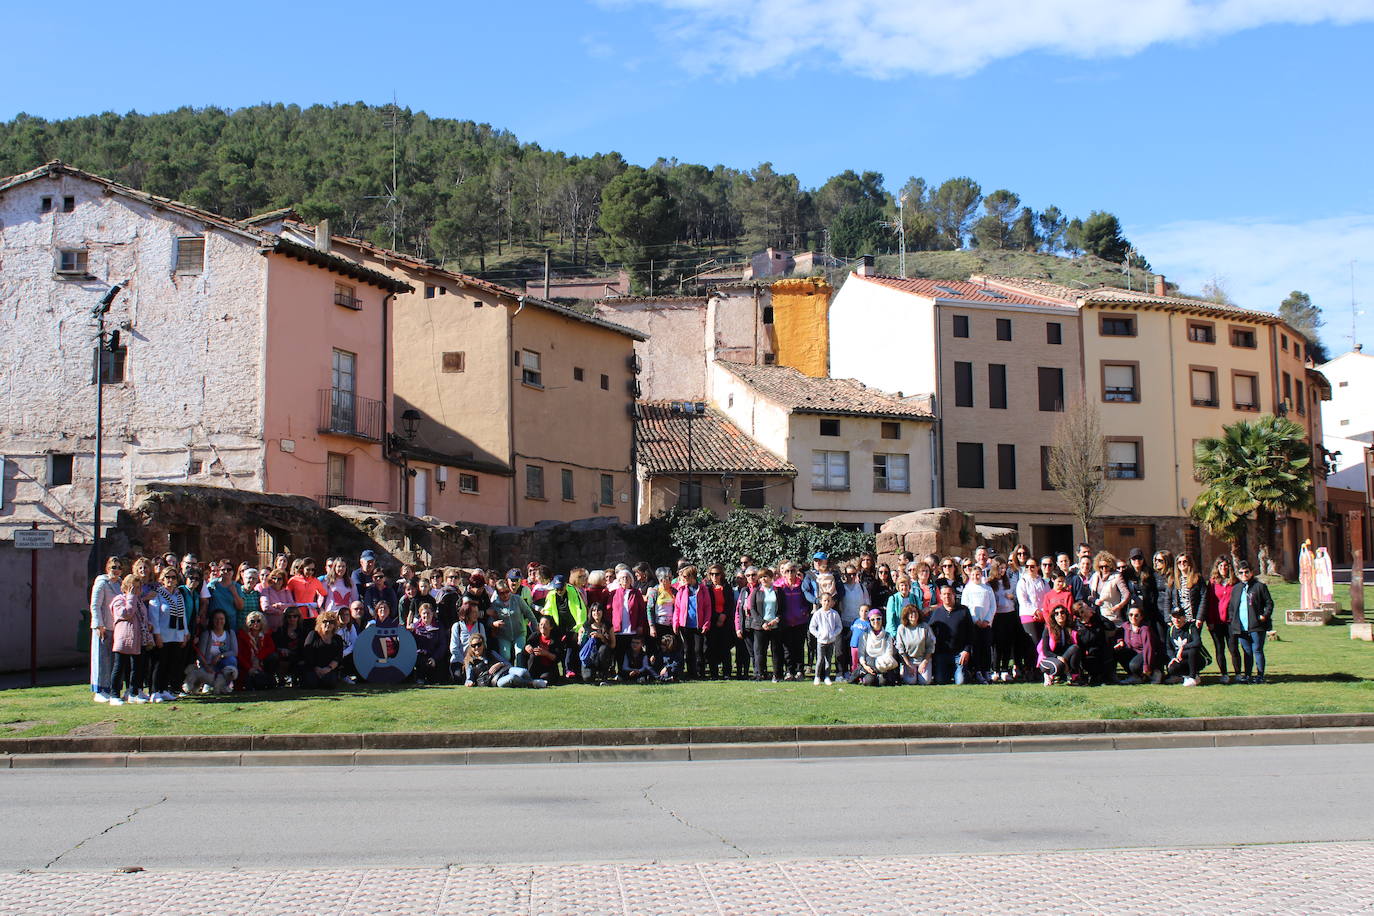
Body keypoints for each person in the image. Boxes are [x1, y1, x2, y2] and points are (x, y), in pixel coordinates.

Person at [1228, 560, 1274, 684]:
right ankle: (1247, 675)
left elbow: (1269, 603)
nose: (1244, 575)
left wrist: (1265, 616)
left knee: (1257, 649)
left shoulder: (1259, 587)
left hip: (1256, 625)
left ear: (1251, 572)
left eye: (1246, 572)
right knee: (1246, 651)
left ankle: (1260, 675)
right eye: (1241, 572)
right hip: (1241, 627)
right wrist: (1232, 619)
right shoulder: (1236, 588)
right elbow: (1232, 607)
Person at [147, 567, 189, 702]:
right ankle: (155, 691)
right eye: (167, 577)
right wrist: (157, 634)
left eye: (173, 577)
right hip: (163, 634)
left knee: (171, 663)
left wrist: (185, 633)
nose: (170, 580)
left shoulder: (178, 595)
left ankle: (164, 689)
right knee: (159, 664)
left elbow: (183, 616)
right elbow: (154, 616)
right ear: (162, 579)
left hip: (176, 635)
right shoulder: (157, 594)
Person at [108, 573, 151, 705]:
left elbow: (143, 618)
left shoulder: (139, 602)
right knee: (119, 667)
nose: (136, 590)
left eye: (138, 588)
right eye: (133, 587)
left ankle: (133, 693)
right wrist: (131, 597)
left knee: (136, 668)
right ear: (126, 587)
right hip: (124, 639)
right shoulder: (119, 600)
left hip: (138, 639)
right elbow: (126, 613)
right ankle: (114, 695)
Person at [88, 556, 124, 702]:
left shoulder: (121, 584)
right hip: (103, 626)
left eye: (119, 567)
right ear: (107, 568)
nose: (116, 570)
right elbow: (95, 605)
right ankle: (100, 689)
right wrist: (98, 624)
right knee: (101, 658)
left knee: (114, 660)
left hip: (117, 627)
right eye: (113, 567)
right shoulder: (102, 583)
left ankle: (111, 688)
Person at [1204, 556, 1243, 684]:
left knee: (1233, 648)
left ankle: (1238, 673)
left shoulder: (1235, 582)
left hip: (1230, 621)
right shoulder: (1213, 582)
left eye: (1225, 566)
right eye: (1220, 566)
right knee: (1219, 648)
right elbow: (1209, 602)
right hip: (1216, 621)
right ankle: (1224, 674)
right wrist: (1208, 621)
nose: (1223, 568)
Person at [463, 633, 546, 688]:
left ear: (483, 644)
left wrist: (499, 664)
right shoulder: (470, 661)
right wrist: (469, 682)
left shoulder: (491, 653)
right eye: (474, 645)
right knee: (512, 678)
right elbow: (469, 678)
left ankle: (533, 681)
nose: (476, 647)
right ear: (471, 647)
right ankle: (533, 684)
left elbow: (508, 664)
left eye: (479, 644)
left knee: (523, 672)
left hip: (505, 670)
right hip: (495, 680)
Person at [928, 584, 972, 685]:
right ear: (941, 596)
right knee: (941, 681)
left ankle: (966, 672)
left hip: (959, 654)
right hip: (942, 654)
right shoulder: (937, 612)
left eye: (949, 594)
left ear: (954, 595)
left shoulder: (964, 611)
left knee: (960, 682)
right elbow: (929, 632)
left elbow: (971, 633)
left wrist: (966, 651)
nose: (947, 596)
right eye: (944, 594)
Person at [672, 565, 711, 679]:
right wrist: (676, 623)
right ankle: (690, 673)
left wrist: (706, 623)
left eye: (684, 576)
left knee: (699, 650)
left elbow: (708, 607)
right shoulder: (682, 590)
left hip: (698, 625)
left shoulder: (703, 589)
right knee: (688, 649)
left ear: (692, 576)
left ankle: (700, 672)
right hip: (685, 625)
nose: (682, 578)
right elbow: (677, 608)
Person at [746, 568, 785, 682]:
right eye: (761, 577)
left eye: (766, 576)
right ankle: (760, 674)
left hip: (775, 625)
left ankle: (777, 675)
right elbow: (752, 609)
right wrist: (762, 622)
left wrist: (776, 619)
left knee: (776, 651)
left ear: (771, 577)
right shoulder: (756, 592)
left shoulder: (778, 591)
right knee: (759, 651)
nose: (763, 579)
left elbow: (783, 608)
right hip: (760, 626)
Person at [960, 563, 996, 684]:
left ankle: (987, 671)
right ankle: (978, 671)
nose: (976, 577)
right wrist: (976, 621)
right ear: (970, 576)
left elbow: (993, 606)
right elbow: (966, 606)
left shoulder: (987, 588)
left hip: (986, 624)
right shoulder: (967, 589)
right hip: (973, 625)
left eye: (978, 574)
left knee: (986, 647)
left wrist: (987, 620)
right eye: (974, 575)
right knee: (976, 649)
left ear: (981, 575)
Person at [189, 608, 238, 695]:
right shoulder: (206, 634)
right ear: (212, 620)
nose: (219, 621)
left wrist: (220, 656)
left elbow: (234, 652)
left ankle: (225, 685)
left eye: (222, 619)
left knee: (232, 660)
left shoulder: (230, 633)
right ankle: (207, 684)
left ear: (225, 620)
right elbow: (200, 654)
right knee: (204, 673)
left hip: (223, 663)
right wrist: (206, 666)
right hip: (208, 664)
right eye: (216, 619)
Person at [777, 562, 809, 680]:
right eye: (787, 571)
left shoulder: (802, 585)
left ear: (796, 572)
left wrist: (804, 611)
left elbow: (807, 601)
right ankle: (789, 671)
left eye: (792, 571)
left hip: (800, 622)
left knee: (799, 647)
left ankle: (800, 670)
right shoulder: (779, 586)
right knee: (787, 649)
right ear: (783, 573)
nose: (790, 573)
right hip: (785, 622)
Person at [1073, 600, 1116, 685]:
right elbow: (1082, 644)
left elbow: (1111, 626)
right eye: (1087, 608)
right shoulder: (1077, 627)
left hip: (1102, 652)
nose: (1090, 609)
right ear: (1082, 613)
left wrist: (1098, 616)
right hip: (1088, 656)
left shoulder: (1096, 619)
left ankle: (1108, 675)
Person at [610, 570, 648, 666]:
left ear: (631, 580)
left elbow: (641, 611)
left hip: (632, 628)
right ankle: (620, 673)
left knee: (631, 652)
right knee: (619, 651)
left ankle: (631, 672)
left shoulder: (636, 593)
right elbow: (609, 610)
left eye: (627, 577)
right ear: (619, 580)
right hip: (618, 629)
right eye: (622, 578)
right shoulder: (613, 593)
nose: (625, 579)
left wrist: (640, 625)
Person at [1115, 606, 1161, 684]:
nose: (1133, 617)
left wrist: (1147, 666)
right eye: (1131, 615)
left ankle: (1154, 672)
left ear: (1141, 617)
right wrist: (1120, 641)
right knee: (1118, 652)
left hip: (1147, 654)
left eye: (1136, 615)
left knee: (1134, 665)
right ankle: (1135, 676)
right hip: (1134, 652)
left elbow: (1148, 648)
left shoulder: (1145, 629)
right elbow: (1119, 633)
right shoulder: (1126, 625)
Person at [299, 610, 345, 689]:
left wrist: (328, 669)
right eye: (325, 621)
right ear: (320, 624)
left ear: (334, 625)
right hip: (312, 668)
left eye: (331, 622)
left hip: (328, 669)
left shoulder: (338, 639)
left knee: (330, 684)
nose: (328, 624)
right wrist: (316, 668)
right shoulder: (313, 635)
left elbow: (338, 657)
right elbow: (307, 653)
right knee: (311, 684)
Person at [855, 607, 898, 686]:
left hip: (883, 663)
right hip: (869, 663)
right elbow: (861, 653)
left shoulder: (887, 635)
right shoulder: (864, 635)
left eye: (878, 619)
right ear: (869, 621)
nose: (876, 621)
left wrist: (881, 666)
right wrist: (865, 666)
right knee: (869, 682)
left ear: (882, 619)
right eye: (872, 619)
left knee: (883, 682)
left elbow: (889, 653)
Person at [235, 611, 277, 691]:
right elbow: (239, 655)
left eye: (258, 621)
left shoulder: (266, 634)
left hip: (261, 663)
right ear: (248, 622)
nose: (256, 624)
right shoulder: (242, 635)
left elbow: (271, 648)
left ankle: (269, 677)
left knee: (273, 657)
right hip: (247, 666)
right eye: (253, 621)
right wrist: (249, 668)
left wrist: (258, 658)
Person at [894, 605, 934, 685]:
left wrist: (924, 662)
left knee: (925, 682)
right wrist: (908, 664)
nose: (913, 615)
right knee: (910, 681)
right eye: (910, 613)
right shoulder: (901, 628)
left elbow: (931, 646)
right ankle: (905, 671)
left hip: (923, 659)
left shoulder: (925, 627)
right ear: (906, 616)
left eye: (915, 612)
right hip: (909, 660)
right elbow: (900, 648)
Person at [1165, 607, 1206, 687]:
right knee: (1172, 668)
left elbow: (1197, 642)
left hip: (1196, 659)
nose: (1176, 620)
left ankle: (1193, 677)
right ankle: (1186, 676)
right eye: (1174, 617)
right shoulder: (1170, 630)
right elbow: (1168, 647)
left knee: (1192, 651)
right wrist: (1173, 657)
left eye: (1179, 617)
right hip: (1181, 658)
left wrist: (1183, 647)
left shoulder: (1191, 627)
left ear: (1184, 617)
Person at [808, 592, 842, 685]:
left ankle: (827, 677)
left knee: (828, 660)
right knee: (820, 659)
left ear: (831, 602)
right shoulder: (817, 614)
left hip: (831, 641)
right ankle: (817, 677)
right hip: (821, 641)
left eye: (828, 600)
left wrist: (834, 634)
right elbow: (812, 627)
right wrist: (818, 635)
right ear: (821, 601)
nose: (826, 603)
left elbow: (839, 626)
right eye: (825, 600)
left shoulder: (834, 614)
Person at [1038, 606, 1078, 686]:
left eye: (1062, 612)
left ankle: (1074, 677)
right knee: (1058, 666)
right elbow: (1045, 651)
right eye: (1056, 614)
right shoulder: (1048, 629)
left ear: (1066, 615)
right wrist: (1058, 657)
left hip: (1063, 657)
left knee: (1075, 648)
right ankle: (1048, 675)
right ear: (1054, 617)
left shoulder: (1069, 629)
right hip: (1048, 658)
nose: (1060, 615)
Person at [1088, 551, 1131, 625]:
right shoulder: (1095, 576)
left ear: (1110, 565)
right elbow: (1089, 596)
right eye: (1101, 567)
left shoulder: (1117, 576)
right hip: (1097, 615)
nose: (1104, 568)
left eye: (1106, 566)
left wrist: (1119, 606)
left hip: (1112, 616)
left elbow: (1126, 594)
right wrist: (1095, 600)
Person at [579, 603, 617, 684]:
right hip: (589, 657)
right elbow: (580, 634)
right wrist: (581, 637)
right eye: (593, 610)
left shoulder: (608, 625)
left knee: (603, 649)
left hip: (603, 657)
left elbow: (613, 645)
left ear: (602, 612)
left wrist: (601, 637)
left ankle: (603, 674)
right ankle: (592, 673)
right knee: (588, 678)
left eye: (598, 610)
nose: (596, 612)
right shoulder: (587, 625)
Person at [410, 603, 446, 684]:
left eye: (428, 613)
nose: (426, 615)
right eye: (424, 613)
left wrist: (434, 658)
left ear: (432, 613)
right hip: (419, 657)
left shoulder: (439, 627)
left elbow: (442, 645)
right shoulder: (414, 627)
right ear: (420, 614)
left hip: (435, 657)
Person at [523, 615, 564, 684]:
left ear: (551, 627)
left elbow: (557, 658)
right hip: (536, 667)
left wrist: (546, 653)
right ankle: (529, 678)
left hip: (549, 668)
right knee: (533, 656)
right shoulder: (535, 636)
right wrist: (527, 647)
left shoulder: (555, 639)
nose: (542, 626)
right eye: (541, 624)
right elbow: (526, 646)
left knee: (545, 677)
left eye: (545, 624)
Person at [272, 607, 305, 687]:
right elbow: (275, 645)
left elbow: (306, 646)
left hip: (299, 655)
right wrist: (281, 649)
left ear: (299, 617)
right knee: (280, 659)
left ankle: (296, 680)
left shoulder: (303, 630)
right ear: (285, 618)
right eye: (289, 616)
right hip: (285, 656)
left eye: (295, 616)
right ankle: (281, 681)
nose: (292, 618)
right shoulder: (281, 631)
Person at [1170, 555, 1205, 625]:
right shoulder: (1174, 580)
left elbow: (1204, 598)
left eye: (1184, 561)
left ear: (1190, 563)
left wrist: (1200, 617)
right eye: (1179, 562)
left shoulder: (1197, 578)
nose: (1182, 564)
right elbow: (1169, 599)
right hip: (1180, 619)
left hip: (1194, 618)